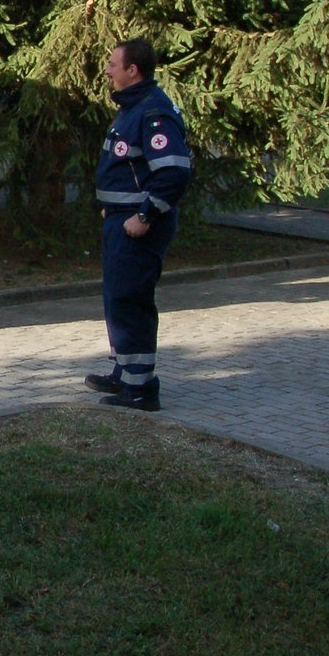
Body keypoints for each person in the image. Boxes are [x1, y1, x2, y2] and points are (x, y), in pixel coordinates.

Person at [87, 38, 192, 411]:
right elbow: (131, 170)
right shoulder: (133, 108)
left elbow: (174, 172)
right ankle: (125, 372)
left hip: (139, 226)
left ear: (133, 70)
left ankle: (141, 389)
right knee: (117, 297)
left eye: (114, 64)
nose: (108, 69)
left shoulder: (152, 112)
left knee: (130, 299)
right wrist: (113, 207)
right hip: (122, 221)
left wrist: (144, 214)